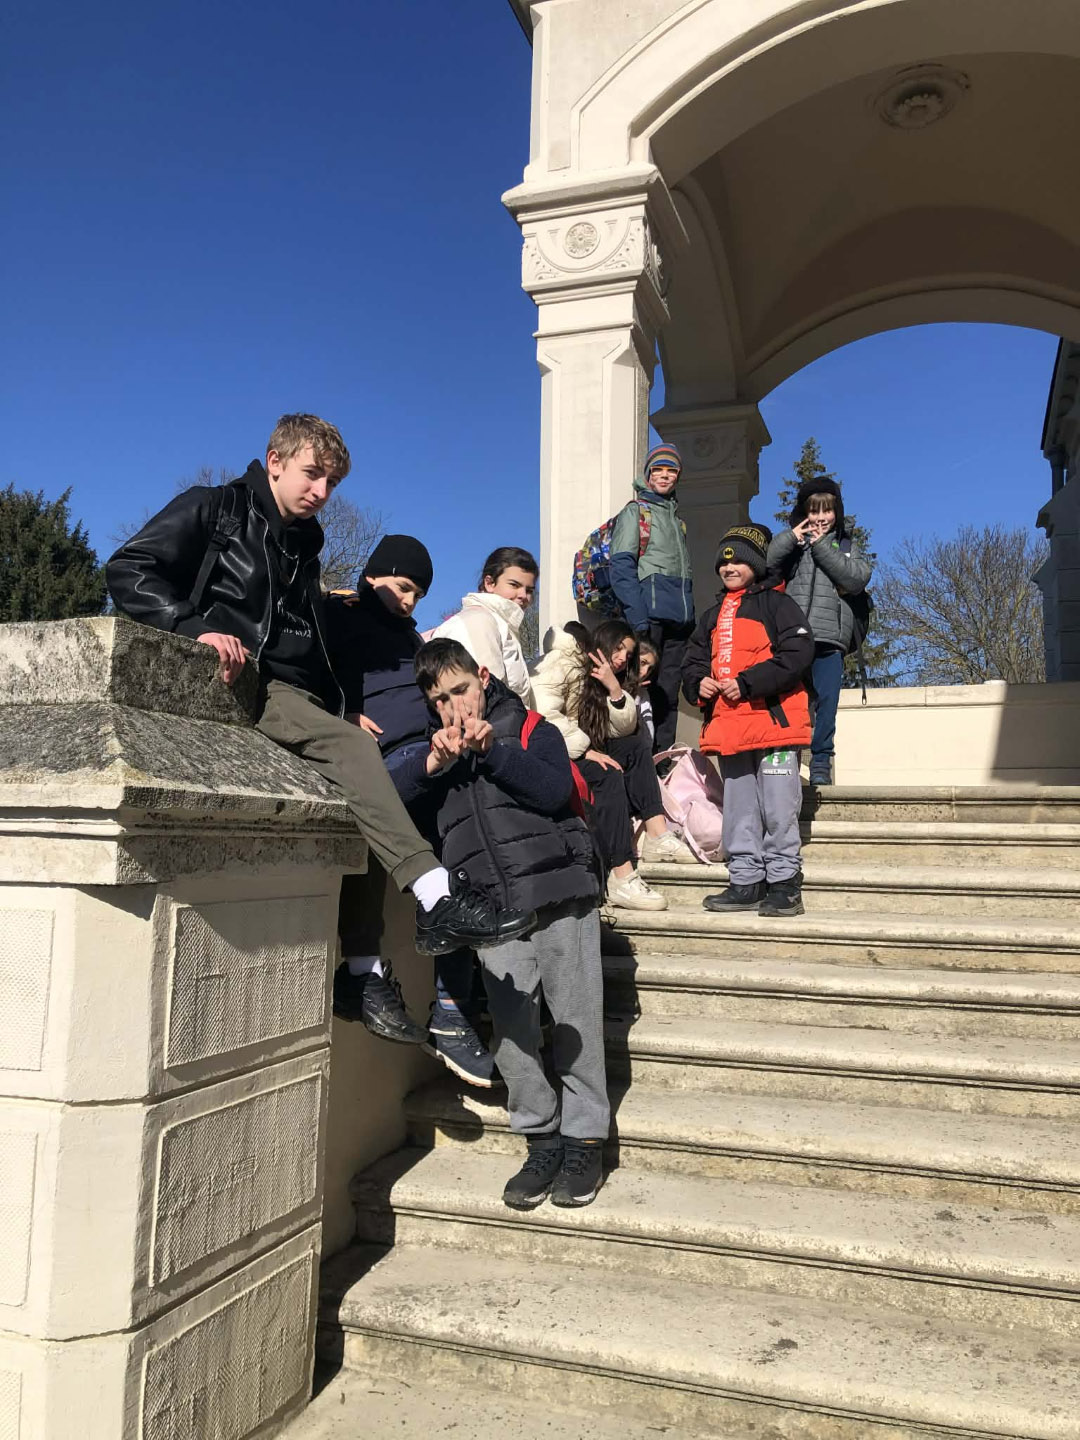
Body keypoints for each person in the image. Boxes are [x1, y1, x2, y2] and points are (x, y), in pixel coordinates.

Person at [106, 413, 536, 968]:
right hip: (248, 682)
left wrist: (344, 707)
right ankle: (436, 898)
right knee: (354, 751)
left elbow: (315, 646)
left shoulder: (306, 545)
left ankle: (370, 966)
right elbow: (129, 567)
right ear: (275, 462)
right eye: (312, 474)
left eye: (332, 482)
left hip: (302, 693)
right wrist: (195, 629)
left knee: (368, 766)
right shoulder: (217, 508)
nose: (322, 492)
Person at [398, 637, 609, 1210]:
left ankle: (585, 1140)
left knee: (576, 1019)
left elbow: (555, 790)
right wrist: (432, 765)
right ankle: (541, 1139)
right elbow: (392, 800)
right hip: (492, 913)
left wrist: (493, 752)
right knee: (513, 1031)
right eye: (440, 700)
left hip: (560, 893)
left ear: (484, 677)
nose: (453, 706)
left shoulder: (529, 726)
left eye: (460, 689)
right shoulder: (433, 753)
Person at [325, 535, 496, 1087]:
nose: (409, 601)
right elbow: (300, 671)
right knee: (397, 824)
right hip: (381, 758)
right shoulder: (337, 616)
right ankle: (418, 993)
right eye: (402, 587)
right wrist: (341, 715)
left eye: (418, 594)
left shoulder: (411, 639)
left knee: (468, 838)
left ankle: (453, 1005)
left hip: (429, 751)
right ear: (372, 576)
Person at [682, 523, 814, 918]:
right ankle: (745, 881)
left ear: (756, 564)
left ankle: (785, 883)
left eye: (739, 560)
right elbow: (691, 662)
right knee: (739, 810)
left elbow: (798, 653)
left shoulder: (778, 605)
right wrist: (697, 683)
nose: (729, 567)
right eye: (724, 562)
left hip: (775, 729)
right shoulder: (710, 617)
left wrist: (748, 683)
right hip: (730, 730)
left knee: (778, 808)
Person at [531, 620, 694, 913]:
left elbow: (622, 729)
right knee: (607, 773)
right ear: (603, 641)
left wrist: (614, 688)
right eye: (618, 648)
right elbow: (544, 714)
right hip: (554, 755)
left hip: (577, 750)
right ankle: (621, 874)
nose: (621, 658)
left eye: (628, 655)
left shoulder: (600, 678)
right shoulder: (563, 662)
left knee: (634, 746)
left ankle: (657, 834)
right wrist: (585, 750)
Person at [766, 478, 872, 786]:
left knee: (827, 702)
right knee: (790, 701)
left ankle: (822, 761)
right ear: (804, 513)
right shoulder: (794, 545)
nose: (821, 517)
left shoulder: (847, 547)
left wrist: (820, 544)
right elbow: (767, 564)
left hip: (829, 638)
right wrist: (791, 537)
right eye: (814, 511)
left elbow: (856, 578)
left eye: (827, 510)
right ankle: (786, 759)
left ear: (837, 512)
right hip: (793, 637)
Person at [608, 443, 694, 752]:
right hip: (648, 618)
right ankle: (635, 759)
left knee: (668, 695)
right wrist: (638, 617)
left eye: (672, 470)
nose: (665, 475)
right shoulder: (636, 511)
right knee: (637, 690)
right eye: (658, 469)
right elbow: (621, 566)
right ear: (648, 474)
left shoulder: (678, 520)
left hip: (679, 621)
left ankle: (663, 761)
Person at [434, 546, 538, 702]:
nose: (523, 595)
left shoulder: (501, 625)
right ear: (489, 583)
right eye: (514, 585)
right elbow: (488, 699)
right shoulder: (478, 621)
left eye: (529, 590)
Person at [636, 636, 660, 745]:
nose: (645, 672)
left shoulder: (642, 694)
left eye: (650, 668)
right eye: (642, 663)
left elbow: (648, 738)